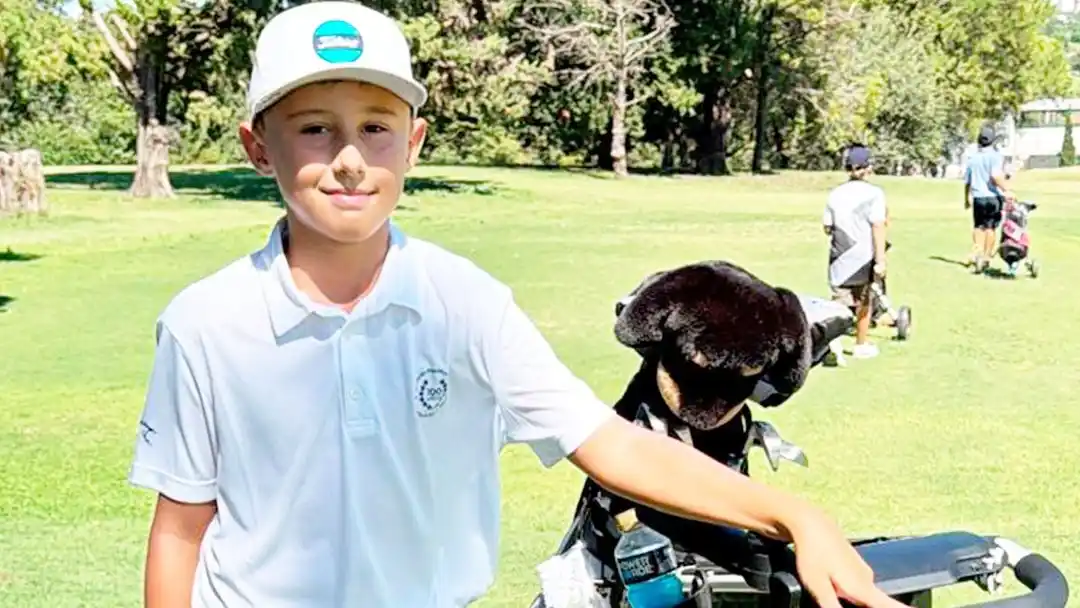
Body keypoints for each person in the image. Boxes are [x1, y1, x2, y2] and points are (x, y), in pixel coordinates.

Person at [127, 4, 907, 608]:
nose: (350, 159)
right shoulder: (206, 322)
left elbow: (609, 444)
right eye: (314, 129)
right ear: (259, 144)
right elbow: (180, 528)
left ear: (416, 141)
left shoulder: (462, 303)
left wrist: (793, 516)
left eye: (375, 127)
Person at [822, 144, 888, 360]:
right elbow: (878, 226)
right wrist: (881, 260)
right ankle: (861, 344)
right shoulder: (875, 194)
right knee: (864, 301)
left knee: (838, 303)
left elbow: (827, 227)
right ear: (868, 168)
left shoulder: (834, 194)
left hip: (839, 254)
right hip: (863, 255)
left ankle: (832, 345)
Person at [964, 125, 1015, 273]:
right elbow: (995, 176)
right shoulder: (995, 156)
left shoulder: (973, 158)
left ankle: (977, 252)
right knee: (990, 227)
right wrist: (1007, 190)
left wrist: (966, 198)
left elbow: (968, 181)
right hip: (993, 197)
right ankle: (986, 257)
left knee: (978, 226)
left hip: (978, 197)